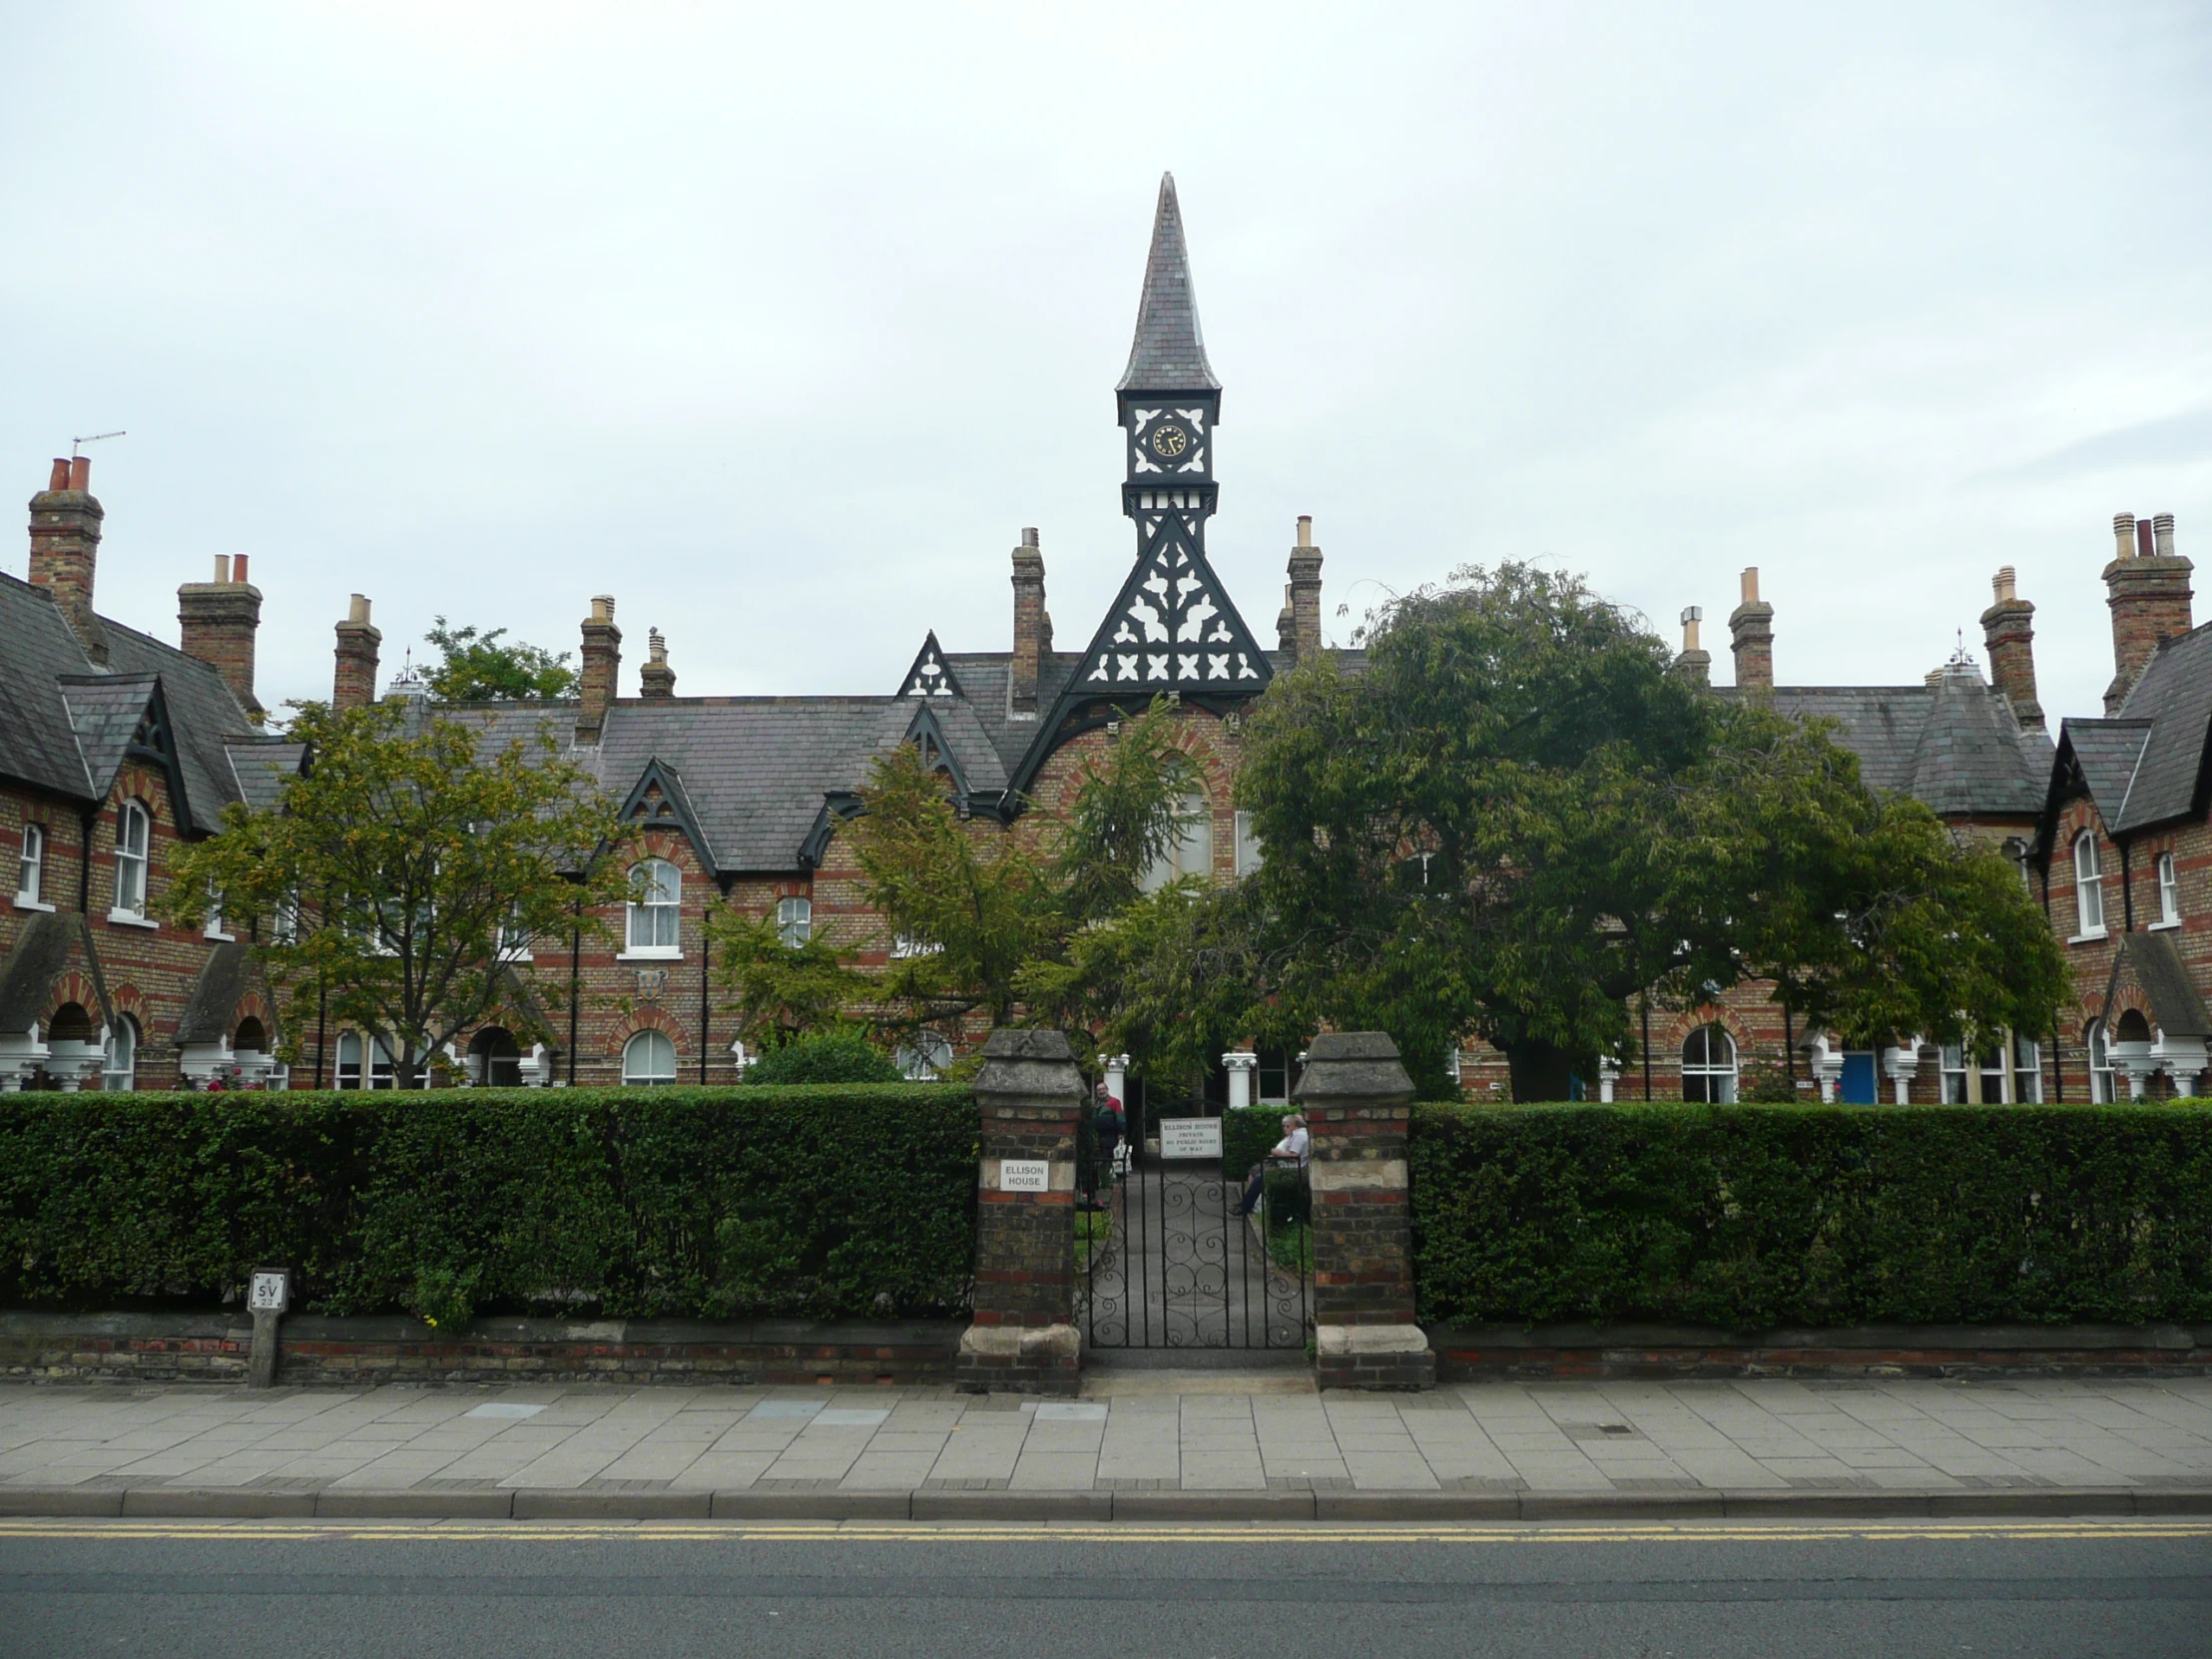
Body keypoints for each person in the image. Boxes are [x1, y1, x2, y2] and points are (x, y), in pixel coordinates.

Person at [1236, 1113, 1308, 1216]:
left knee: (1261, 1177)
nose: (1285, 1128)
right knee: (1259, 1174)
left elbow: (1293, 1156)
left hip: (1293, 1171)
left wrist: (1278, 1153)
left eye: (1287, 1125)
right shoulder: (1297, 1135)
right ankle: (1246, 1205)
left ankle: (1245, 1207)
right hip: (1287, 1167)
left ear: (1294, 1125)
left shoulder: (1299, 1136)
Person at [1092, 1081, 1125, 1177]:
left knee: (1109, 1156)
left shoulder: (1114, 1102)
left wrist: (1121, 1132)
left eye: (1103, 1089)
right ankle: (1102, 1178)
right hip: (1098, 1135)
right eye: (1099, 1090)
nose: (1101, 1091)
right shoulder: (1095, 1104)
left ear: (1107, 1090)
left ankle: (1109, 1177)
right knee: (1100, 1157)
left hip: (1111, 1135)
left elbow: (1120, 1117)